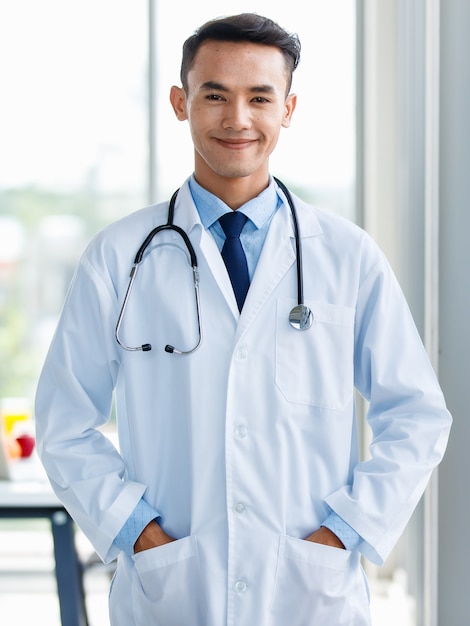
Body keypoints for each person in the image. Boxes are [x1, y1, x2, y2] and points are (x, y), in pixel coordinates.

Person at [35, 13, 452, 626]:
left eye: (260, 97)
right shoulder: (120, 256)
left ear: (287, 108)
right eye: (215, 96)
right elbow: (64, 423)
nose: (237, 120)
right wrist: (137, 531)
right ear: (181, 103)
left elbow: (416, 414)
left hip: (311, 597)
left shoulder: (346, 255)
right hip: (174, 591)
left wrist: (346, 533)